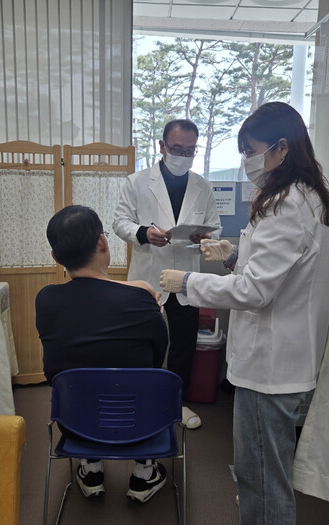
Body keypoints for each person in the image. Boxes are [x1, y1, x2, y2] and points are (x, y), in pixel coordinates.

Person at [159, 102, 329, 525]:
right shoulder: (303, 196)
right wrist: (234, 255)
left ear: (282, 148)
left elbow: (256, 290)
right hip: (280, 357)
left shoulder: (286, 204)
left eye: (251, 150)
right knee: (261, 473)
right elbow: (278, 268)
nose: (246, 160)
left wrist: (187, 282)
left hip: (270, 364)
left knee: (261, 478)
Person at [36, 205, 169, 503]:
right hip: (140, 422)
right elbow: (156, 360)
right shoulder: (142, 297)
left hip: (75, 422)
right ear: (102, 243)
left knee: (82, 378)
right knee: (146, 380)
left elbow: (53, 367)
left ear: (56, 257)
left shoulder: (46, 300)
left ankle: (91, 470)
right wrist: (148, 300)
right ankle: (144, 475)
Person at [113, 119, 221, 430]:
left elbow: (215, 228)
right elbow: (120, 222)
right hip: (149, 277)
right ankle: (142, 401)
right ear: (162, 147)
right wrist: (144, 233)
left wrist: (206, 238)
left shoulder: (202, 186)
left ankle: (176, 404)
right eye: (176, 149)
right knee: (144, 344)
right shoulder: (136, 182)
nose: (183, 156)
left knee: (184, 347)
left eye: (189, 151)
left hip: (187, 279)